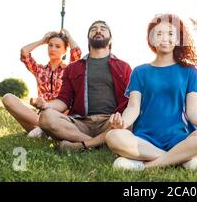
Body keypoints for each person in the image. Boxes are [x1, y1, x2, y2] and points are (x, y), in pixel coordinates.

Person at [105, 14, 197, 171]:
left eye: (170, 33)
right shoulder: (139, 72)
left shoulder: (189, 71)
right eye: (159, 34)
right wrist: (122, 123)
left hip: (179, 138)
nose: (165, 38)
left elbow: (192, 111)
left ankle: (144, 166)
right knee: (113, 136)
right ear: (151, 39)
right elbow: (133, 107)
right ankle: (179, 159)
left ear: (178, 39)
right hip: (144, 139)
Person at [30, 20, 132, 152]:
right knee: (46, 117)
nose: (98, 30)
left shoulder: (123, 67)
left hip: (111, 121)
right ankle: (97, 144)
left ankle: (81, 145)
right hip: (80, 122)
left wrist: (120, 119)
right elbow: (64, 101)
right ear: (88, 39)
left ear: (111, 40)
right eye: (94, 29)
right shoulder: (74, 67)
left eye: (103, 29)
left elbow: (131, 100)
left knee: (130, 122)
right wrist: (47, 106)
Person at [2, 29, 81, 138]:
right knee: (8, 98)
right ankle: (43, 129)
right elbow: (24, 52)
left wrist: (69, 36)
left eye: (58, 46)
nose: (52, 49)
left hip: (61, 117)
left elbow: (76, 54)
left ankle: (44, 130)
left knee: (67, 109)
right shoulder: (39, 70)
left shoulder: (69, 69)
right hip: (40, 116)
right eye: (50, 45)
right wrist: (42, 41)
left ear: (64, 51)